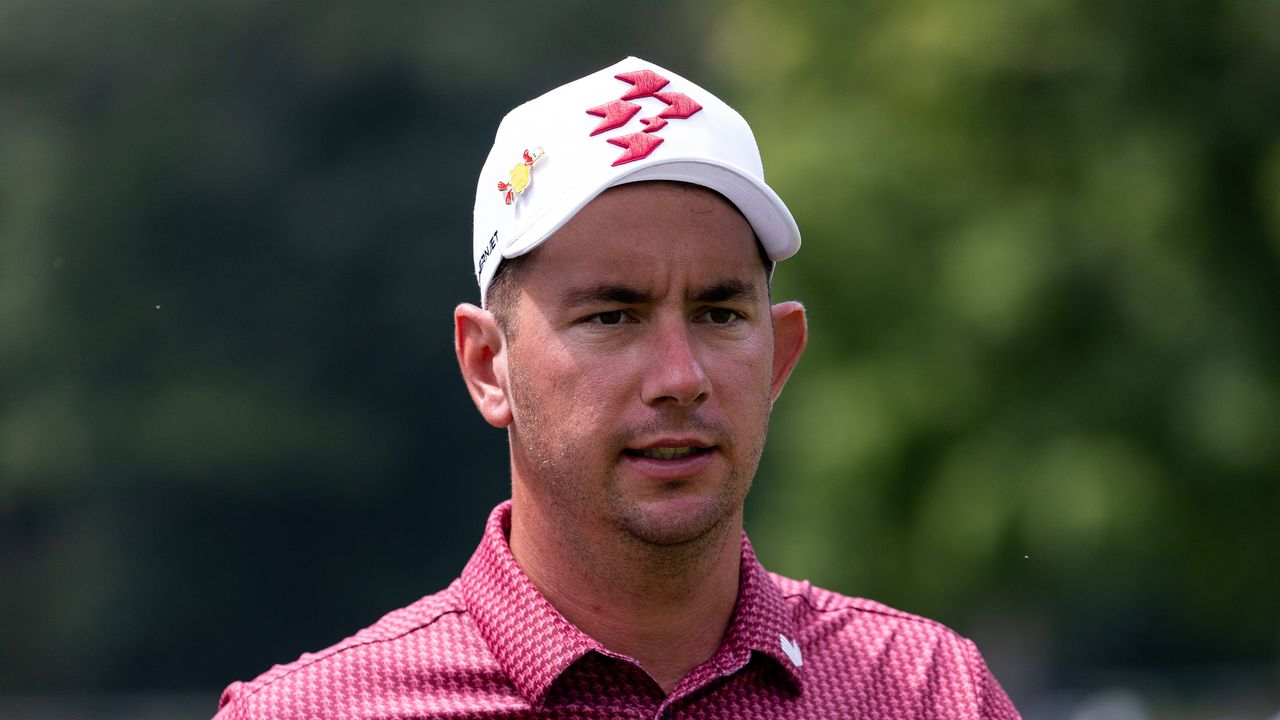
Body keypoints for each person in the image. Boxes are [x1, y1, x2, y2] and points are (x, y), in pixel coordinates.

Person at [213, 56, 1021, 720]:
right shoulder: (314, 712)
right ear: (488, 366)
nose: (681, 378)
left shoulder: (928, 693)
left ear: (779, 357)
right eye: (611, 317)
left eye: (717, 313)